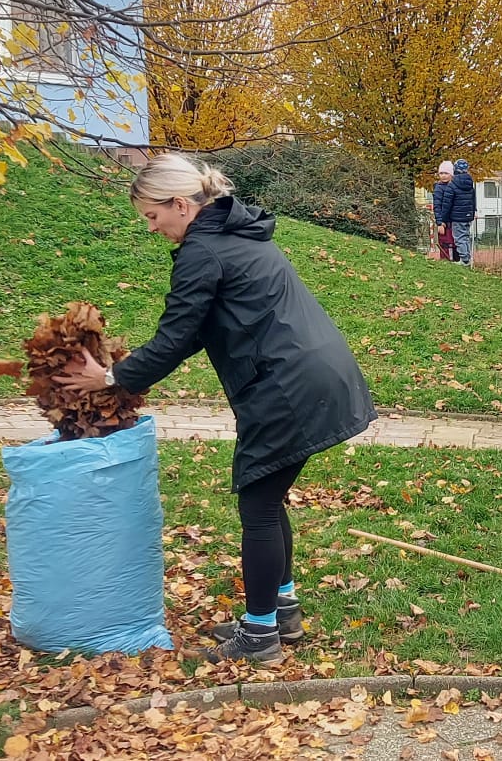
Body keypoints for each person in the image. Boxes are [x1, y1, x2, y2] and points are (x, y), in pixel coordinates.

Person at [56, 154, 378, 663]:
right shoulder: (237, 233)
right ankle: (281, 611)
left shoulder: (203, 251)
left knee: (257, 505)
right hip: (310, 372)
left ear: (180, 205)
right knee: (267, 499)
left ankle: (260, 634)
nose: (152, 227)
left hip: (286, 386)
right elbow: (190, 335)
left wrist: (112, 377)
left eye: (151, 216)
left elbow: (176, 334)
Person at [441, 158, 478, 264]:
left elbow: (447, 204)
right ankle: (467, 257)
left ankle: (464, 259)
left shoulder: (452, 185)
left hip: (457, 217)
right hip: (468, 216)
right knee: (465, 236)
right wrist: (473, 211)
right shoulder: (470, 185)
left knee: (459, 237)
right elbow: (473, 199)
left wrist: (444, 219)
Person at [431, 160, 456, 261]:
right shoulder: (438, 188)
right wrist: (440, 222)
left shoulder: (454, 186)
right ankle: (445, 262)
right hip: (444, 222)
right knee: (445, 243)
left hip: (454, 220)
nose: (443, 176)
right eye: (441, 173)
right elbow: (437, 206)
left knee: (455, 243)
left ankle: (456, 262)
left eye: (446, 173)